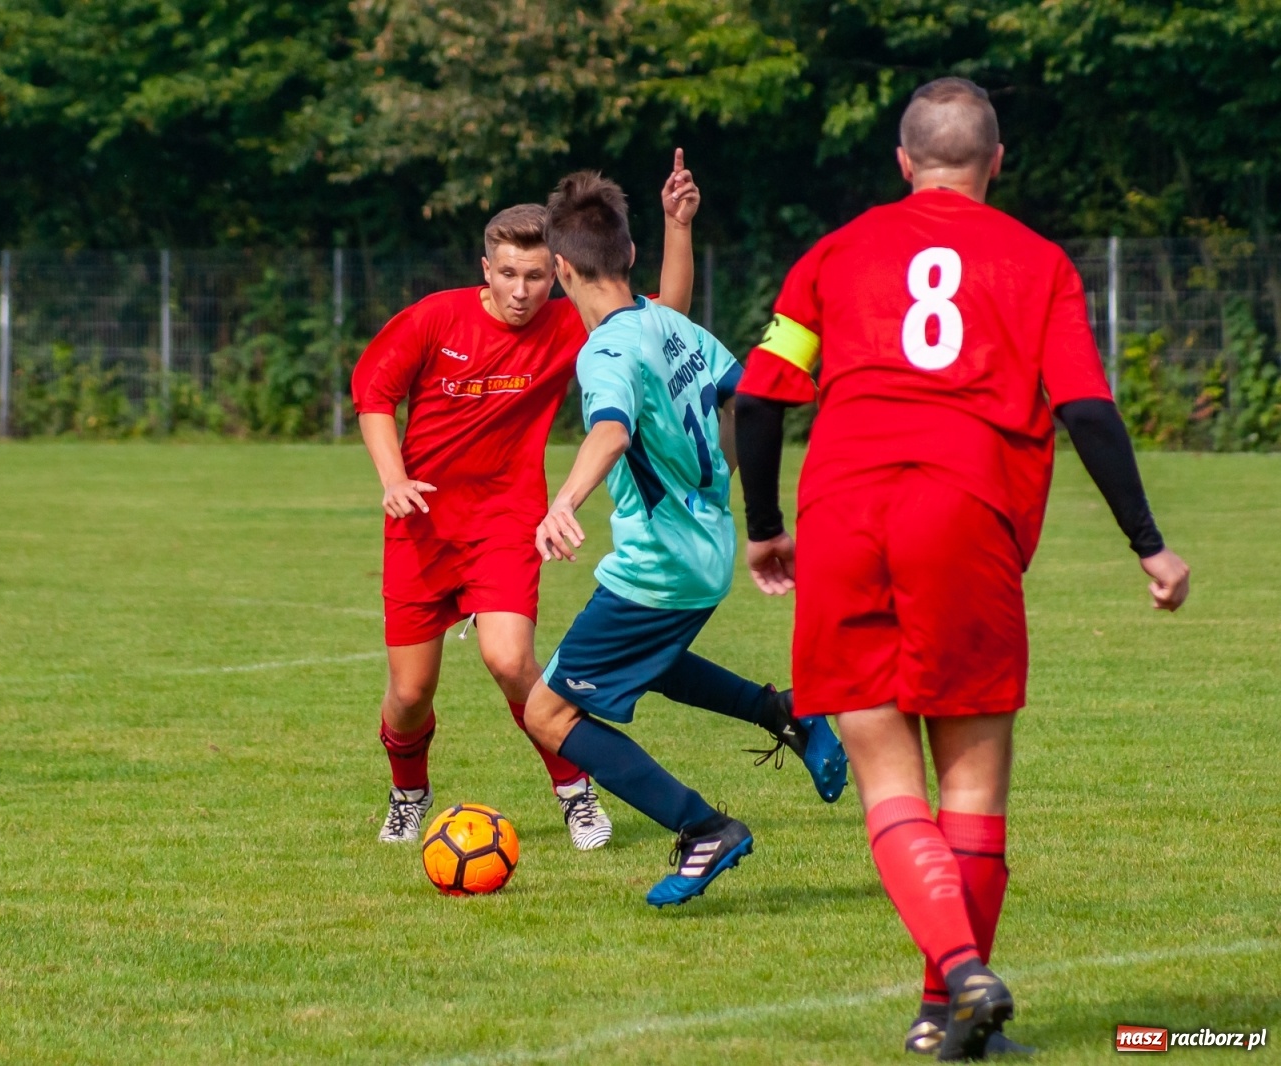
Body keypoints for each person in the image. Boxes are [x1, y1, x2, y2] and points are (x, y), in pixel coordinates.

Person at [735, 78, 1191, 1060]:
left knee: (886, 780)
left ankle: (950, 1001)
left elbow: (761, 396)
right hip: (966, 510)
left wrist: (766, 525)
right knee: (971, 788)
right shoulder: (1036, 262)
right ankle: (949, 998)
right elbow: (1085, 410)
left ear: (902, 162)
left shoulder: (833, 252)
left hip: (843, 507)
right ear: (996, 161)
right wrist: (1148, 543)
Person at [350, 152, 706, 849]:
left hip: (508, 520)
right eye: (508, 274)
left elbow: (668, 316)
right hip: (421, 527)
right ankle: (408, 792)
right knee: (410, 694)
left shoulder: (569, 324)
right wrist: (393, 480)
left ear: (560, 273)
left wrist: (677, 225)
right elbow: (373, 394)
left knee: (511, 660)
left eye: (537, 276)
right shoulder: (434, 319)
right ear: (486, 269)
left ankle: (573, 789)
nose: (521, 291)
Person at [520, 170, 848, 909]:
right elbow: (740, 399)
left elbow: (609, 428)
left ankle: (704, 828)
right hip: (710, 546)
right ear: (629, 251)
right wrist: (718, 480)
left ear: (562, 269)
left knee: (548, 712)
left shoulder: (604, 352)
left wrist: (563, 500)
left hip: (658, 565)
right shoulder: (674, 327)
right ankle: (786, 713)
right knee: (654, 664)